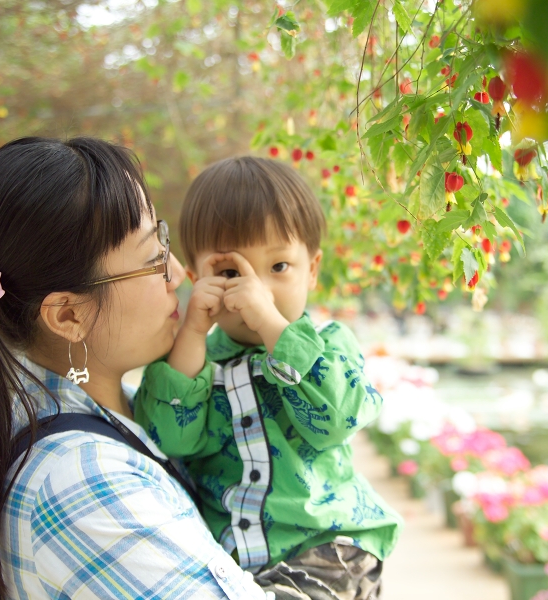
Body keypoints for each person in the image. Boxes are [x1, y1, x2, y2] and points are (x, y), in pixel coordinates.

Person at [0, 137, 270, 599]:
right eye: (152, 258)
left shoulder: (117, 418)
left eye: (163, 241)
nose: (177, 273)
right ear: (68, 316)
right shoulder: (78, 481)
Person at [134, 157, 403, 600]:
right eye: (230, 272)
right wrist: (193, 332)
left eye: (278, 267)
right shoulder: (193, 361)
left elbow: (337, 417)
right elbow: (171, 440)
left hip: (327, 550)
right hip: (234, 563)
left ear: (312, 269)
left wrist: (271, 324)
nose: (254, 289)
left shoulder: (329, 343)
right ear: (197, 276)